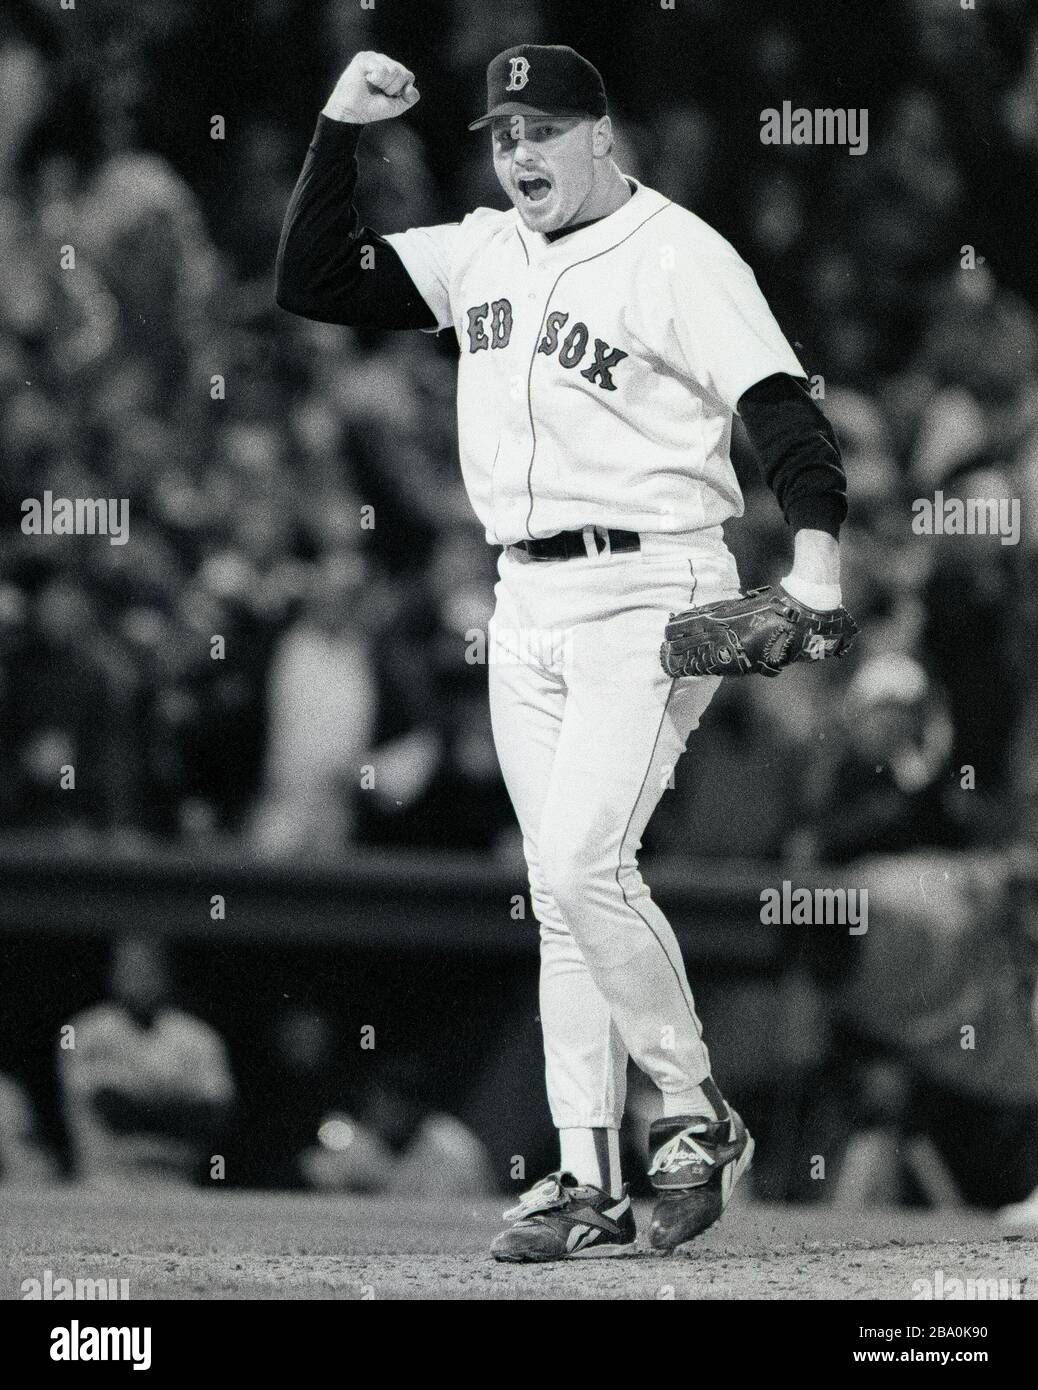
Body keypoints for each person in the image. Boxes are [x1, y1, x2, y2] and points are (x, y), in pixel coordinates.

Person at [276, 44, 849, 1260]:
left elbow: (780, 404)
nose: (521, 153)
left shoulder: (681, 254)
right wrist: (337, 129)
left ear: (602, 134)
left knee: (587, 860)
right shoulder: (480, 247)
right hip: (523, 599)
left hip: (656, 581)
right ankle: (586, 1176)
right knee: (562, 895)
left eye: (544, 129)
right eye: (503, 134)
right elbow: (316, 277)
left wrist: (819, 557)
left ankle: (695, 1111)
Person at [59, 936, 235, 1185]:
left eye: (148, 968)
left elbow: (209, 1116)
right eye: (130, 968)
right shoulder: (84, 1031)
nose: (139, 978)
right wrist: (174, 1105)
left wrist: (142, 1102)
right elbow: (115, 1113)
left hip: (176, 1180)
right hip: (105, 1181)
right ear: (113, 973)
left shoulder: (198, 1036)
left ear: (165, 974)